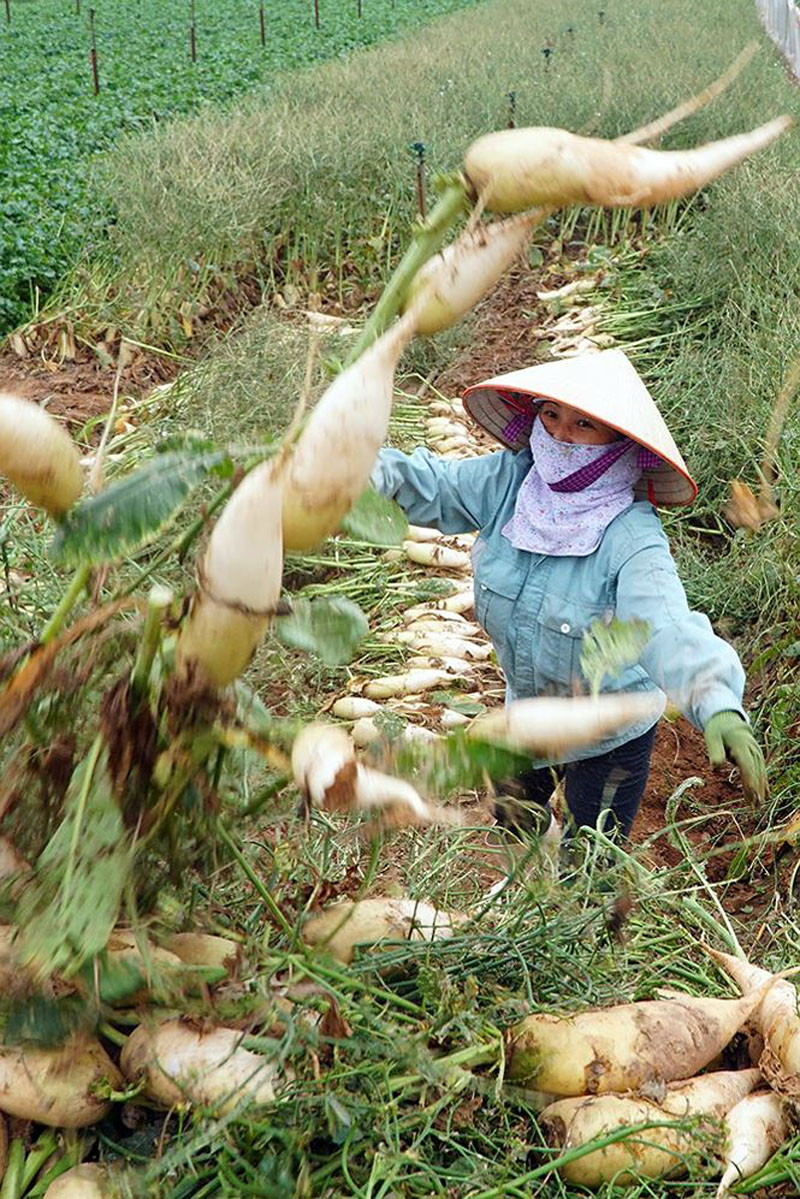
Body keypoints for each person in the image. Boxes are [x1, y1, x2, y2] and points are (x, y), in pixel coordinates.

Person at [371, 349, 767, 841]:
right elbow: (437, 487)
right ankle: (525, 894)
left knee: (592, 855)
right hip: (529, 713)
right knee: (516, 825)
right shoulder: (510, 483)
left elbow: (666, 625)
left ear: (617, 442)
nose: (559, 435)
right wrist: (361, 471)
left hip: (609, 735)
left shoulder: (631, 538)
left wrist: (716, 701)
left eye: (584, 425)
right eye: (551, 414)